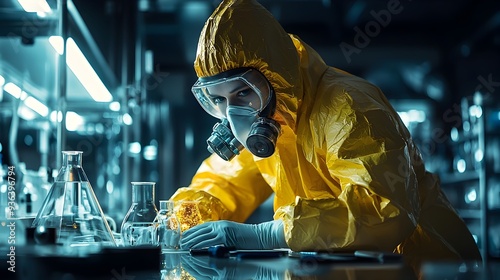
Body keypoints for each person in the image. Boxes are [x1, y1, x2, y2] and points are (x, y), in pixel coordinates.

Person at [170, 0, 482, 276]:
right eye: (219, 100)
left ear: (275, 76)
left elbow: (383, 210)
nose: (233, 113)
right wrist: (183, 218)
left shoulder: (348, 107)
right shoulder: (273, 123)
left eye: (242, 92)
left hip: (422, 266)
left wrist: (269, 235)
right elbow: (225, 182)